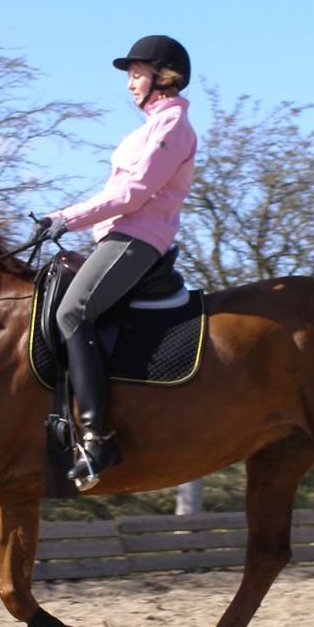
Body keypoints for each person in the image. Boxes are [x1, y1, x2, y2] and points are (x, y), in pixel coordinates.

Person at [41, 35, 197, 491]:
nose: (129, 84)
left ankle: (97, 439)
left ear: (162, 76)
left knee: (73, 311)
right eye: (129, 75)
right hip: (116, 237)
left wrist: (63, 218)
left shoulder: (173, 128)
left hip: (139, 238)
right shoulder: (147, 129)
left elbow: (133, 195)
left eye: (136, 74)